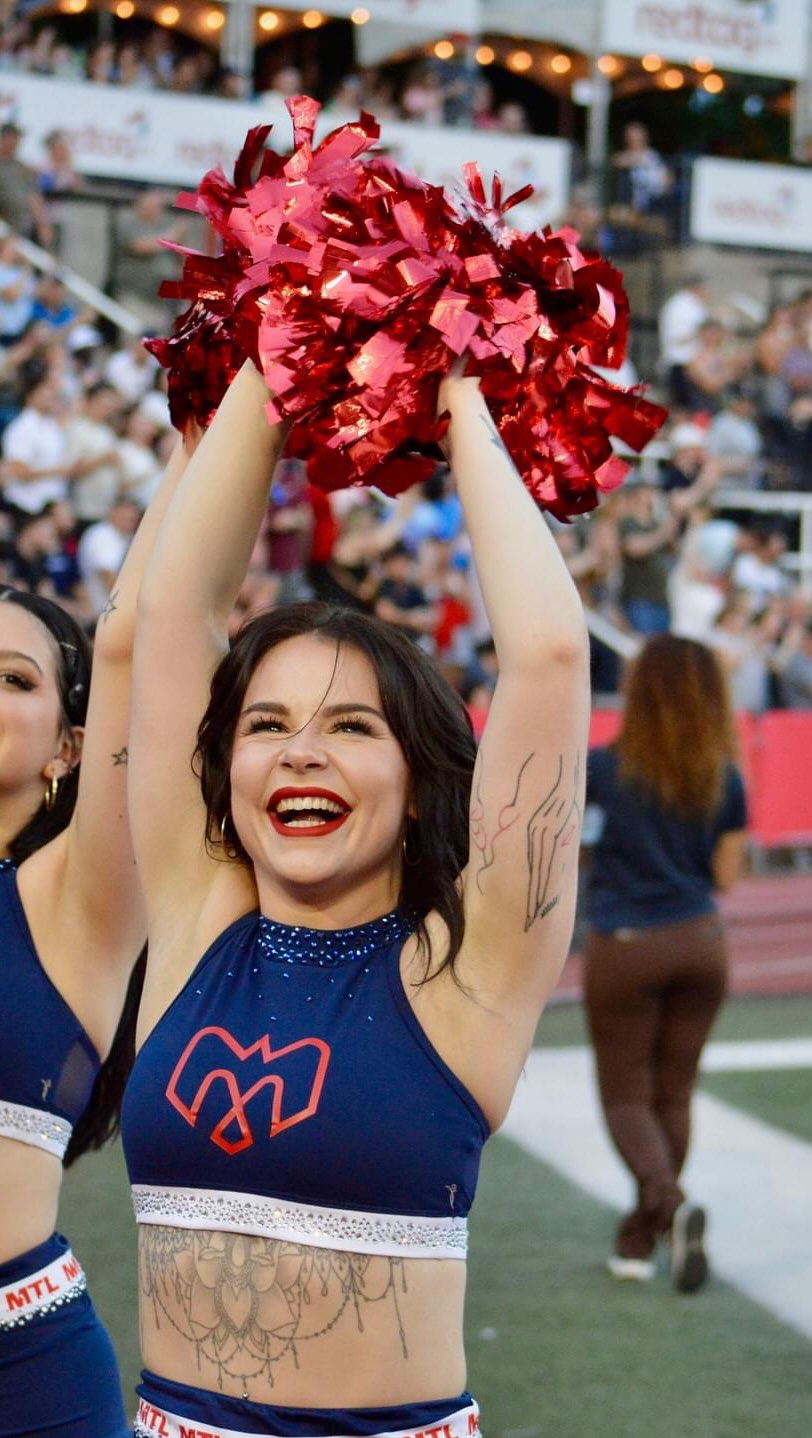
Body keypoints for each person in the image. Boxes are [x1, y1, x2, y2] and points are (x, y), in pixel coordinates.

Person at [122, 359, 589, 1435]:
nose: (300, 753)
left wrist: (455, 383)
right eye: (267, 725)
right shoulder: (196, 923)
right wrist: (277, 343)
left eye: (350, 726)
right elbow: (174, 613)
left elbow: (550, 655)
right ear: (225, 771)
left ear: (416, 779)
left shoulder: (465, 972)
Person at [0, 438, 191, 1436]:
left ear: (69, 749)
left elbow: (136, 644)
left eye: (13, 678)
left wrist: (197, 443)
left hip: (22, 1379)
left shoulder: (77, 900)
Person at [582, 635, 747, 1291]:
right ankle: (637, 1240)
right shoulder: (724, 776)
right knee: (674, 1093)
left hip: (625, 942)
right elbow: (726, 876)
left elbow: (574, 851)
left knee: (626, 1093)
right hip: (702, 940)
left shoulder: (602, 770)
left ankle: (668, 1203)